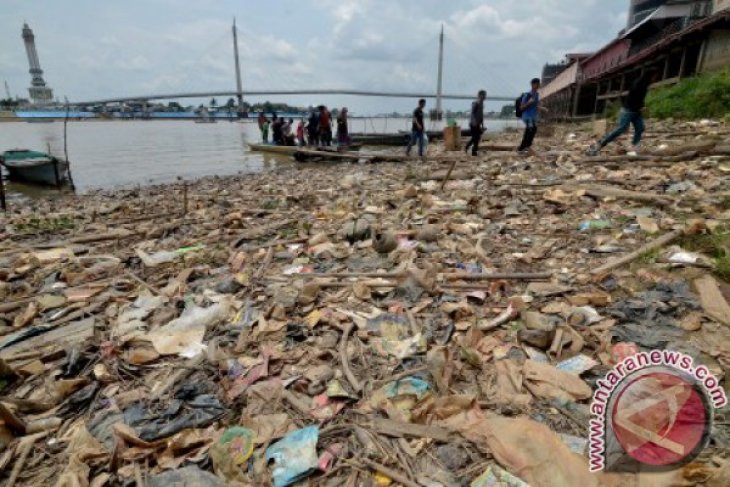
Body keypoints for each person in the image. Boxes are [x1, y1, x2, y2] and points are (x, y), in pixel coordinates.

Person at [587, 68, 660, 156]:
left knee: (640, 128)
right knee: (621, 129)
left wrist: (642, 106)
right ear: (650, 76)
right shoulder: (638, 84)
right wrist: (640, 107)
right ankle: (600, 143)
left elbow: (640, 98)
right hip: (628, 110)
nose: (655, 78)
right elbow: (631, 99)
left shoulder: (644, 84)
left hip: (636, 111)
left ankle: (634, 147)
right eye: (655, 76)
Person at [518, 78, 541, 154]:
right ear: (532, 84)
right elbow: (521, 107)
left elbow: (535, 106)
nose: (538, 85)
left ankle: (523, 147)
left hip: (533, 116)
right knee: (531, 130)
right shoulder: (527, 95)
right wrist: (529, 102)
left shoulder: (537, 95)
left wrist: (542, 108)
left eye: (538, 84)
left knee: (531, 130)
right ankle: (525, 147)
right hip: (527, 116)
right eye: (536, 84)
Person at [465, 90, 486, 156]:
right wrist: (474, 123)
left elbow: (481, 115)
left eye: (485, 95)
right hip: (473, 123)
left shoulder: (482, 104)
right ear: (479, 95)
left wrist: (482, 124)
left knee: (478, 137)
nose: (485, 96)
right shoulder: (476, 103)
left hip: (478, 123)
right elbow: (472, 114)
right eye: (483, 95)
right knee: (475, 137)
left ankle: (474, 151)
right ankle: (467, 147)